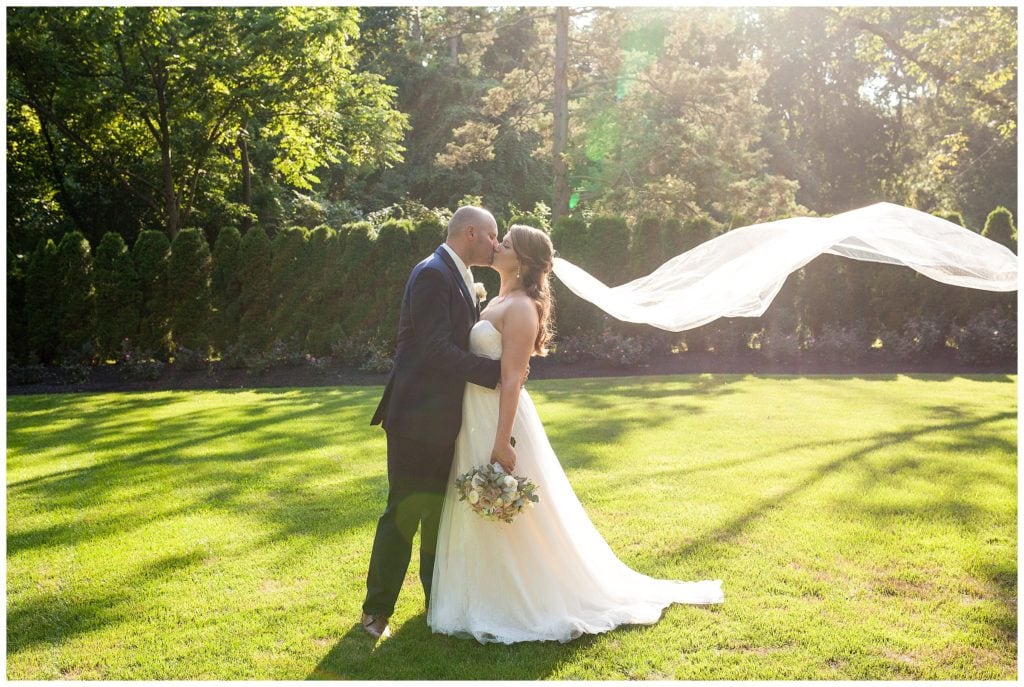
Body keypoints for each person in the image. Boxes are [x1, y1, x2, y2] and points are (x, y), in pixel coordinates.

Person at [428, 225, 724, 644]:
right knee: (481, 506)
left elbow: (512, 380)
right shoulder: (496, 299)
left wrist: (501, 441)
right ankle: (482, 595)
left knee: (514, 510)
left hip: (500, 418)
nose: (497, 246)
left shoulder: (523, 308)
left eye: (506, 244)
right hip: (473, 415)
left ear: (524, 261)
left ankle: (524, 597)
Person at [361, 206, 504, 640]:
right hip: (417, 416)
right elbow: (434, 350)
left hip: (444, 418)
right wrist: (494, 374)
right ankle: (375, 612)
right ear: (472, 233)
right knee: (403, 512)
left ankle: (434, 604)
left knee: (439, 516)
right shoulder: (432, 274)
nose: (496, 245)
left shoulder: (454, 273)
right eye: (492, 236)